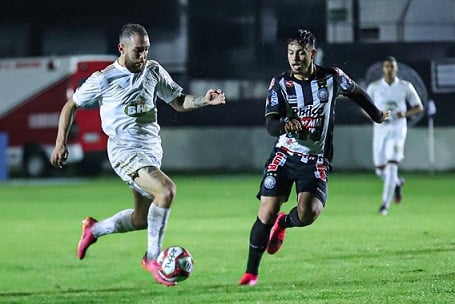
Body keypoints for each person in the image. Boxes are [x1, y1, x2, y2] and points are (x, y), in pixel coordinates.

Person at [50, 23, 226, 286]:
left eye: (146, 50)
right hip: (123, 151)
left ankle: (94, 229)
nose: (143, 56)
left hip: (150, 151)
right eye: (138, 51)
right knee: (166, 191)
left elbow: (178, 102)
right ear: (122, 48)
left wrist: (204, 100)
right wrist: (60, 142)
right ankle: (152, 259)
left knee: (141, 219)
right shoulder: (104, 78)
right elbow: (70, 105)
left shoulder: (153, 70)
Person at [238, 29, 390, 286]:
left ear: (312, 54)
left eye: (300, 53)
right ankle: (251, 272)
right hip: (285, 155)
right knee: (266, 209)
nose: (295, 58)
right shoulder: (281, 84)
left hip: (316, 159)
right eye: (290, 53)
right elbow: (271, 125)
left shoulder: (332, 77)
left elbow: (356, 92)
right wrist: (287, 123)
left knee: (309, 214)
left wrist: (375, 114)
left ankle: (283, 224)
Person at [366, 57, 423, 215]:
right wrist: (376, 115)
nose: (389, 69)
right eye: (387, 66)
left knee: (392, 166)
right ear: (383, 69)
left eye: (392, 66)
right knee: (380, 169)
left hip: (398, 131)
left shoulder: (405, 86)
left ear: (396, 69)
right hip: (380, 131)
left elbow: (419, 107)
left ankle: (384, 205)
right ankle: (397, 184)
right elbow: (364, 107)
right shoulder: (374, 87)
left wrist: (405, 113)